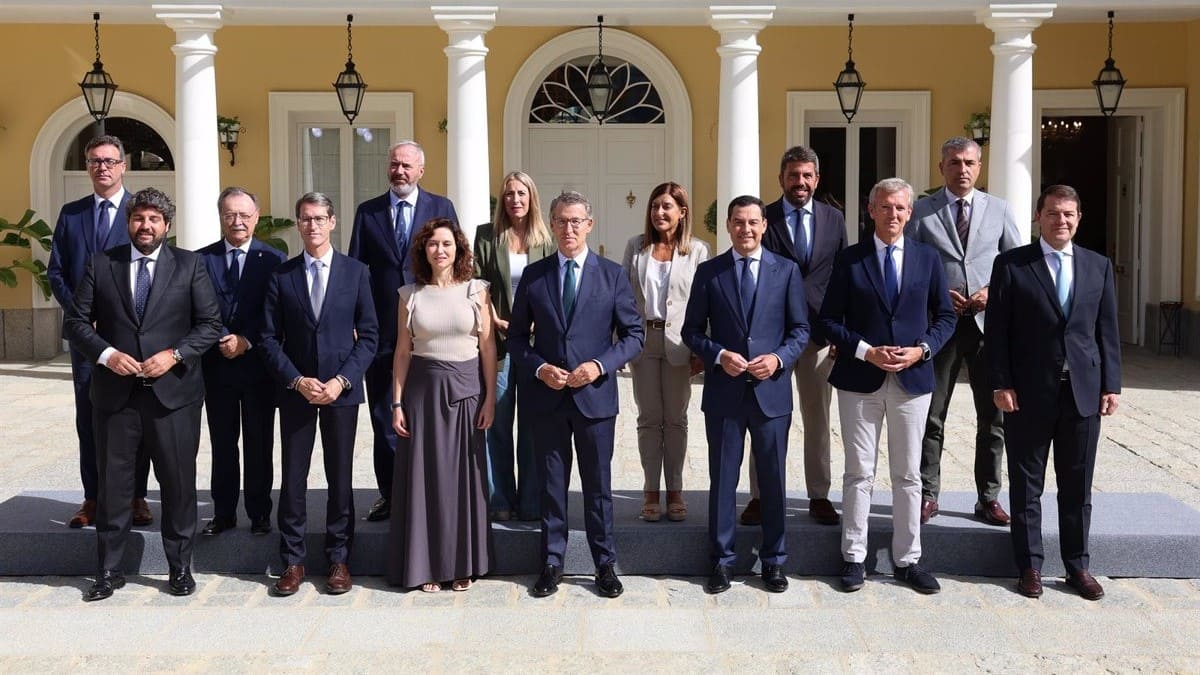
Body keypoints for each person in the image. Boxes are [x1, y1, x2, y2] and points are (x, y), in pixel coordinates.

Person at [63, 187, 223, 601]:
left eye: (154, 219)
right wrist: (107, 354)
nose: (145, 226)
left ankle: (178, 568)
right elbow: (76, 323)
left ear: (167, 225)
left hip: (174, 397)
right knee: (114, 486)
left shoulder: (190, 265)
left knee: (177, 485)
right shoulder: (102, 264)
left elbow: (209, 324)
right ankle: (109, 571)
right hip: (116, 396)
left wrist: (174, 355)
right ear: (129, 222)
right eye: (138, 218)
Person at [817, 178, 956, 595]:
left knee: (908, 474)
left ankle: (908, 559)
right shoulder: (850, 260)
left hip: (913, 380)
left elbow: (945, 317)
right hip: (860, 380)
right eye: (884, 207)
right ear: (870, 210)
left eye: (900, 208)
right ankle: (854, 556)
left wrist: (922, 351)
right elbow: (828, 320)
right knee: (859, 472)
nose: (892, 214)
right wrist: (864, 350)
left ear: (909, 213)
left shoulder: (927, 258)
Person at [986, 185, 1121, 601]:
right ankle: (1029, 566)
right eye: (1052, 213)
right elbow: (997, 332)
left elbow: (1107, 331)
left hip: (1082, 391)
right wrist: (1000, 382)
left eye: (1068, 214)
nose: (1060, 221)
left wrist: (1111, 384)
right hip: (1027, 392)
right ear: (1037, 217)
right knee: (1027, 483)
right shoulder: (1011, 265)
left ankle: (1078, 566)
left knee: (1077, 484)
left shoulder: (1098, 266)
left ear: (1079, 219)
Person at [508, 191, 643, 599]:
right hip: (547, 398)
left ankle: (604, 564)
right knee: (551, 485)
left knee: (598, 486)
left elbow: (633, 335)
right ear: (551, 224)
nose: (569, 229)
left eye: (576, 221)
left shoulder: (611, 274)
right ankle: (552, 562)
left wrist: (600, 366)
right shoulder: (535, 275)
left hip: (594, 398)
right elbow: (516, 339)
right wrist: (538, 367)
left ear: (590, 224)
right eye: (562, 221)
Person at [682, 195, 809, 595]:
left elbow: (800, 331)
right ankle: (721, 561)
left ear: (764, 225)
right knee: (723, 480)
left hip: (771, 393)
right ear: (728, 226)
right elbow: (691, 331)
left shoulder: (786, 271)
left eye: (753, 222)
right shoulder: (709, 272)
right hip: (725, 392)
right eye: (738, 222)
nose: (746, 229)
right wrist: (718, 355)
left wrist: (778, 359)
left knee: (772, 480)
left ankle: (773, 561)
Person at [260, 192, 378, 597]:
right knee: (293, 478)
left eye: (319, 218)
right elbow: (268, 338)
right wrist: (297, 380)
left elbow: (370, 336)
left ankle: (339, 558)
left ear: (332, 222)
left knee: (339, 478)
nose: (312, 226)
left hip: (339, 393)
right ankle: (292, 560)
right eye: (305, 219)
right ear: (298, 224)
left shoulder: (356, 272)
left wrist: (341, 381)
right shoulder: (282, 275)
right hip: (297, 392)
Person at [907, 136, 1022, 527]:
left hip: (989, 328)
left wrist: (993, 291)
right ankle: (927, 494)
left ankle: (988, 497)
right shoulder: (921, 212)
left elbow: (1015, 265)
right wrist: (936, 294)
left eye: (970, 163)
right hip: (939, 327)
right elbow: (907, 267)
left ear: (980, 166)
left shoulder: (999, 209)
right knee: (931, 415)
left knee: (992, 417)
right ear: (942, 167)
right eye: (955, 162)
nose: (963, 170)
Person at [349, 140, 458, 523]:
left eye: (407, 166)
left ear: (421, 170)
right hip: (380, 331)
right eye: (394, 164)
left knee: (428, 415)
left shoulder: (441, 208)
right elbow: (356, 274)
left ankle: (427, 495)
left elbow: (455, 264)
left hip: (431, 330)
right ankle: (392, 495)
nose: (400, 171)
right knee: (385, 415)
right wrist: (356, 324)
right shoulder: (368, 213)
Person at [48, 134, 153, 529]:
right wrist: (80, 314)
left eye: (110, 160)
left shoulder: (140, 213)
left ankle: (137, 497)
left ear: (124, 166)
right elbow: (56, 270)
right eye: (94, 160)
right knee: (89, 417)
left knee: (135, 417)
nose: (102, 167)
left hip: (129, 336)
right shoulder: (71, 214)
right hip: (86, 340)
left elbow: (151, 270)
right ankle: (92, 498)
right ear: (87, 167)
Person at [388, 219, 497, 592]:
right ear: (424, 250)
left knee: (460, 482)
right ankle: (427, 566)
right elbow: (402, 353)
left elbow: (487, 349)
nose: (440, 250)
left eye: (447, 244)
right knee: (425, 481)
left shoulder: (476, 291)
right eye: (433, 244)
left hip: (466, 395)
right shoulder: (409, 295)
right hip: (421, 396)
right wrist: (397, 403)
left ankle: (461, 562)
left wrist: (490, 399)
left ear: (459, 249)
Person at [743, 145, 848, 528]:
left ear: (816, 179)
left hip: (820, 337)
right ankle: (759, 495)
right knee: (766, 418)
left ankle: (818, 495)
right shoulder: (764, 218)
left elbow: (841, 275)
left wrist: (841, 330)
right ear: (781, 178)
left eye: (807, 175)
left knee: (818, 420)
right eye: (793, 175)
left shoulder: (834, 219)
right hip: (772, 339)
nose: (800, 182)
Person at [197, 187, 286, 537]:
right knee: (222, 442)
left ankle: (260, 512)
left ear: (257, 215)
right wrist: (223, 337)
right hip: (216, 365)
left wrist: (246, 340)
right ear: (221, 216)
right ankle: (223, 513)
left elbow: (276, 313)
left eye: (244, 215)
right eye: (231, 214)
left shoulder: (274, 260)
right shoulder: (201, 260)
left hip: (259, 367)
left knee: (259, 442)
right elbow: (198, 307)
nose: (238, 221)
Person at [621, 182, 710, 522]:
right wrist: (624, 339)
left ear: (681, 212)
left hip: (680, 343)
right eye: (655, 206)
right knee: (648, 418)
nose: (659, 212)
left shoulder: (698, 251)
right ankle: (649, 491)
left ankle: (675, 490)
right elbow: (626, 297)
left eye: (667, 206)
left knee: (676, 419)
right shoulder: (636, 247)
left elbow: (705, 302)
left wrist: (701, 346)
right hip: (644, 341)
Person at [473, 171, 556, 522]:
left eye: (521, 193)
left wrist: (538, 320)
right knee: (498, 422)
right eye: (509, 194)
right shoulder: (486, 235)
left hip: (538, 345)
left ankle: (533, 502)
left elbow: (554, 283)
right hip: (499, 343)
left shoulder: (547, 239)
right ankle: (500, 499)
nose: (515, 200)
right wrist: (492, 318)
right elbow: (478, 281)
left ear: (532, 197)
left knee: (535, 426)